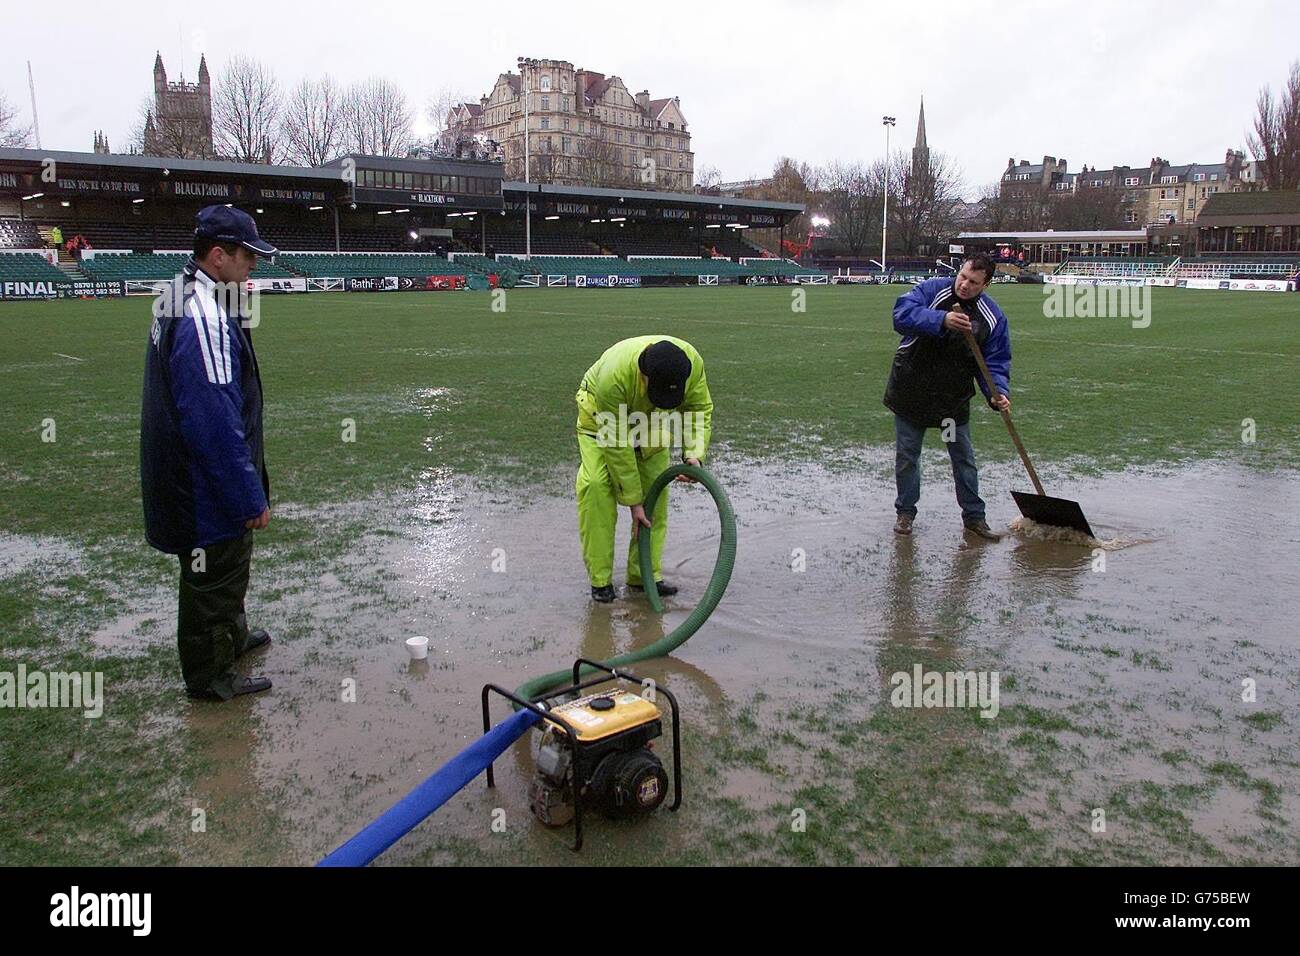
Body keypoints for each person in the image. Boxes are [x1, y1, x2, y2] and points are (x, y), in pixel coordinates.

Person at [140, 205, 278, 700]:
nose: (254, 267)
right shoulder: (202, 314)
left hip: (189, 475)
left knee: (227, 565)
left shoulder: (182, 296)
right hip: (200, 486)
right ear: (218, 257)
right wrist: (247, 495)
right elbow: (214, 421)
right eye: (247, 257)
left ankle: (233, 639)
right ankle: (210, 676)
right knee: (212, 573)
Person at [575, 336, 713, 602]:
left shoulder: (691, 363)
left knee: (655, 498)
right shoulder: (613, 378)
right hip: (600, 423)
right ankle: (600, 581)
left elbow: (698, 407)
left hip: (649, 423)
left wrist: (694, 455)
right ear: (644, 375)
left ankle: (643, 576)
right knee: (596, 488)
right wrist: (633, 502)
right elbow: (617, 444)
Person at [884, 253, 1011, 540]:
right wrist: (941, 319)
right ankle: (905, 514)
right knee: (907, 457)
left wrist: (997, 393)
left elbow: (994, 361)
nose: (965, 285)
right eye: (963, 276)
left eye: (974, 282)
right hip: (911, 391)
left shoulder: (992, 317)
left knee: (963, 459)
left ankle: (974, 518)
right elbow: (901, 315)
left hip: (951, 400)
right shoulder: (932, 290)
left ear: (986, 285)